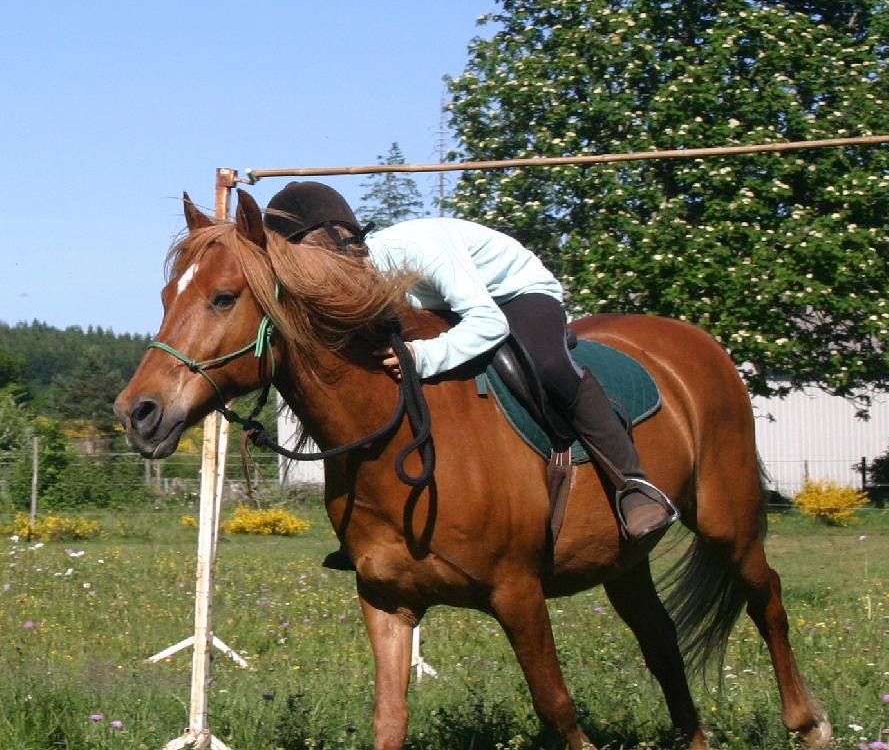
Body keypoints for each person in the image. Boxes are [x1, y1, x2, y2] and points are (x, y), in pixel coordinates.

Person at [264, 181, 677, 545]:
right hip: (456, 307)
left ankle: (633, 483)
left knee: (548, 364)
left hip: (513, 294)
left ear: (338, 244)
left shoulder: (419, 250)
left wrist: (420, 356)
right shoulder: (356, 284)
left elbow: (488, 322)